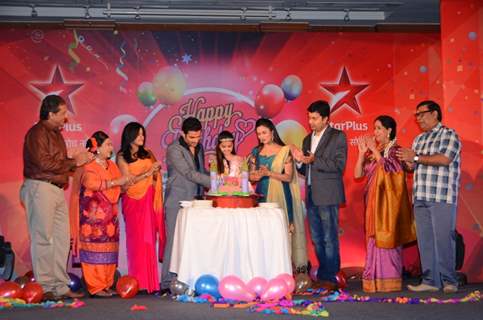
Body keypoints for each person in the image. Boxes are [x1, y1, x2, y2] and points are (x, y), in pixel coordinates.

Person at [20, 94, 93, 300]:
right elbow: (43, 164)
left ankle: (60, 286)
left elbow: (58, 162)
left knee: (61, 239)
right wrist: (74, 162)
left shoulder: (56, 134)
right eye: (62, 114)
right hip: (40, 188)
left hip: (56, 188)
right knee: (43, 238)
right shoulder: (37, 133)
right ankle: (45, 286)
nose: (65, 118)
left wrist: (74, 161)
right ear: (50, 114)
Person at [396, 100, 461, 293]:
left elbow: (444, 159)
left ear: (435, 114)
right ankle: (431, 281)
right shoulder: (418, 139)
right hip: (421, 196)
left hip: (441, 197)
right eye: (416, 115)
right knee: (425, 240)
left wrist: (415, 157)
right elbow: (413, 165)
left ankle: (450, 281)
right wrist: (406, 161)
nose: (418, 118)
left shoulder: (449, 135)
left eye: (421, 114)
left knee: (443, 238)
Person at [354, 115, 416, 292]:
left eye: (379, 128)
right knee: (373, 239)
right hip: (373, 202)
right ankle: (373, 280)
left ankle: (389, 281)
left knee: (387, 238)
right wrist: (361, 154)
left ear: (389, 131)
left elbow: (392, 172)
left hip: (389, 206)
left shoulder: (396, 150)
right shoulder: (374, 151)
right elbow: (358, 174)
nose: (375, 132)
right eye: (375, 128)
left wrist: (374, 150)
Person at [292, 100, 347, 290]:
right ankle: (324, 276)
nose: (311, 121)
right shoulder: (307, 139)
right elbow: (306, 168)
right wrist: (299, 162)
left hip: (328, 194)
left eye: (315, 118)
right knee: (316, 238)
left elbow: (339, 165)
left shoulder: (337, 137)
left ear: (326, 118)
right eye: (309, 117)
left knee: (329, 238)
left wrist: (315, 160)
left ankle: (331, 278)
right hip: (312, 194)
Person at [69, 131, 131, 297]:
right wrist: (116, 182)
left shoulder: (112, 166)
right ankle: (95, 287)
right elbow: (91, 183)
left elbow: (121, 186)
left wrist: (127, 182)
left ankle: (105, 284)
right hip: (92, 220)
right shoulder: (87, 166)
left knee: (109, 252)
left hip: (110, 219)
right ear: (97, 148)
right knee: (93, 252)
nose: (111, 147)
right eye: (108, 145)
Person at [249, 118, 308, 274]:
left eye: (264, 133)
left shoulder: (284, 151)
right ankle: (265, 271)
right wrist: (255, 175)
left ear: (272, 132)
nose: (261, 136)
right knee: (263, 233)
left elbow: (288, 177)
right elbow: (251, 176)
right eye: (258, 134)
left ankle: (283, 270)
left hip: (281, 196)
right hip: (261, 195)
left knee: (281, 232)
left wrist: (269, 173)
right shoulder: (256, 152)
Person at [160, 117, 211, 295]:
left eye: (198, 137)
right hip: (177, 201)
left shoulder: (200, 148)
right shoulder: (174, 149)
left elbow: (201, 170)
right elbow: (189, 173)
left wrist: (219, 176)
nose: (195, 140)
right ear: (183, 134)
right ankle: (166, 282)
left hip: (196, 201)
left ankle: (188, 280)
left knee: (192, 242)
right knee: (174, 242)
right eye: (191, 137)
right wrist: (215, 181)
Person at [117, 122, 164, 294]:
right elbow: (126, 181)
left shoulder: (148, 153)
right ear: (129, 136)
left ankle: (150, 284)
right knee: (136, 241)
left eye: (143, 134)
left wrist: (155, 173)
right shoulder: (121, 156)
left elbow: (154, 177)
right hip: (132, 201)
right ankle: (136, 281)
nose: (142, 138)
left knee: (149, 240)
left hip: (148, 200)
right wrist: (148, 172)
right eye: (138, 135)